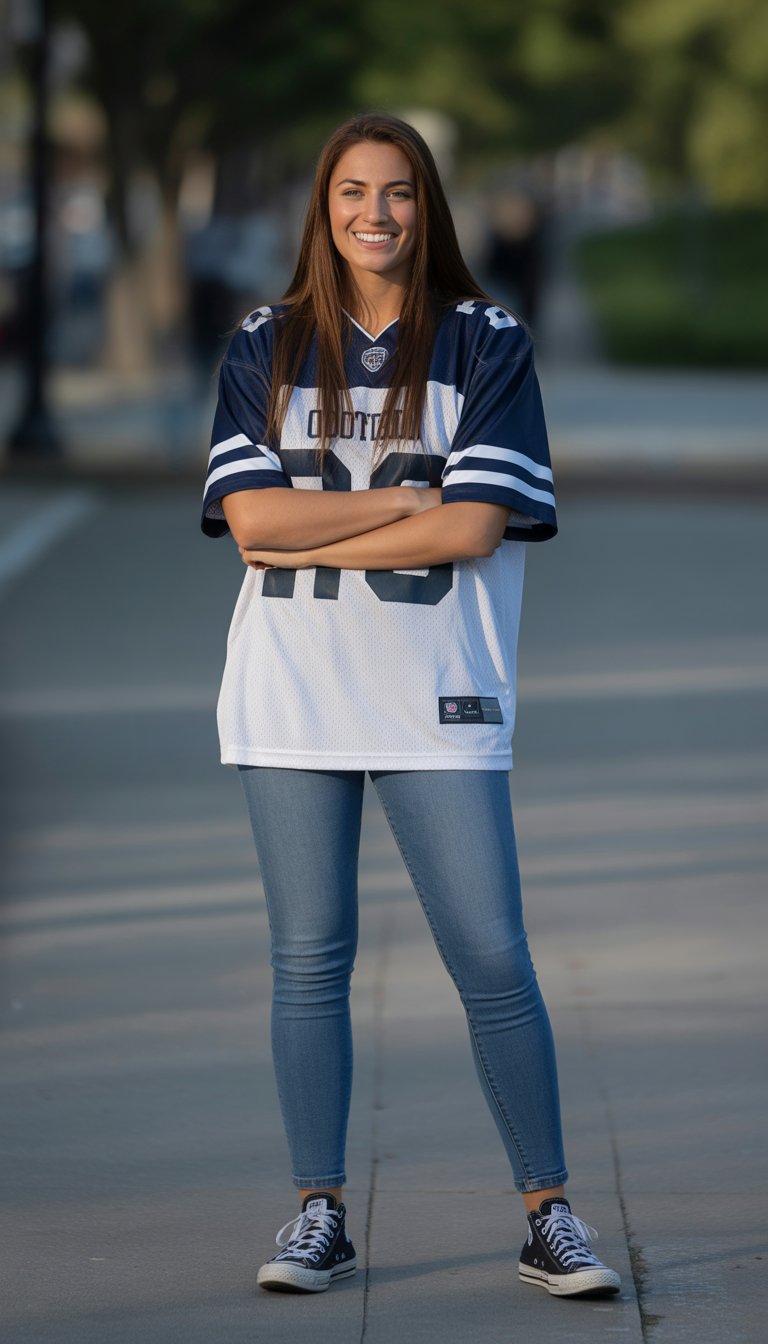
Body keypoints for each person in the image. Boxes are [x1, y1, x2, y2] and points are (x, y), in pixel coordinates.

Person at [201, 112, 620, 1302]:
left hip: (441, 692)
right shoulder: (266, 341)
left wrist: (327, 519)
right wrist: (408, 501)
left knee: (494, 957)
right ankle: (317, 1213)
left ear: (425, 206)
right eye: (350, 192)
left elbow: (476, 526)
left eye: (396, 193)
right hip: (289, 694)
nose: (373, 214)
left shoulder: (486, 342)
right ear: (321, 208)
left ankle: (549, 1215)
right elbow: (251, 528)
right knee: (307, 963)